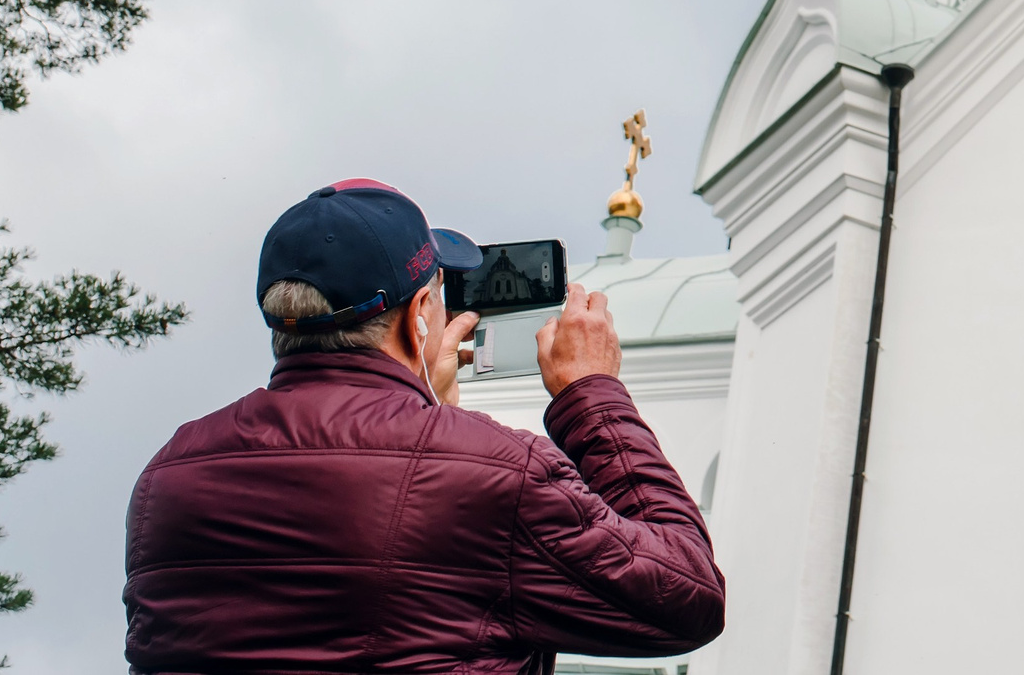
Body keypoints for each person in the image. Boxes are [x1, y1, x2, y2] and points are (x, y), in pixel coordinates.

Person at [124, 180, 725, 673]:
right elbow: (687, 596)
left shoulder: (171, 474)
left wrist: (429, 418)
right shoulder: (498, 473)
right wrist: (591, 395)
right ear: (418, 319)